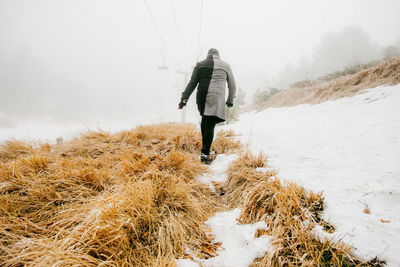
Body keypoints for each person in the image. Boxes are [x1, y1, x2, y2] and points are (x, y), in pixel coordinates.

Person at [178, 48, 236, 164]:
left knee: (205, 120)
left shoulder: (200, 65)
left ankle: (205, 149)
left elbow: (192, 83)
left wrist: (184, 98)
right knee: (209, 123)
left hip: (202, 97)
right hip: (217, 97)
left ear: (208, 55)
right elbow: (232, 85)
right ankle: (205, 154)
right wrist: (230, 100)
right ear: (218, 55)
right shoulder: (225, 66)